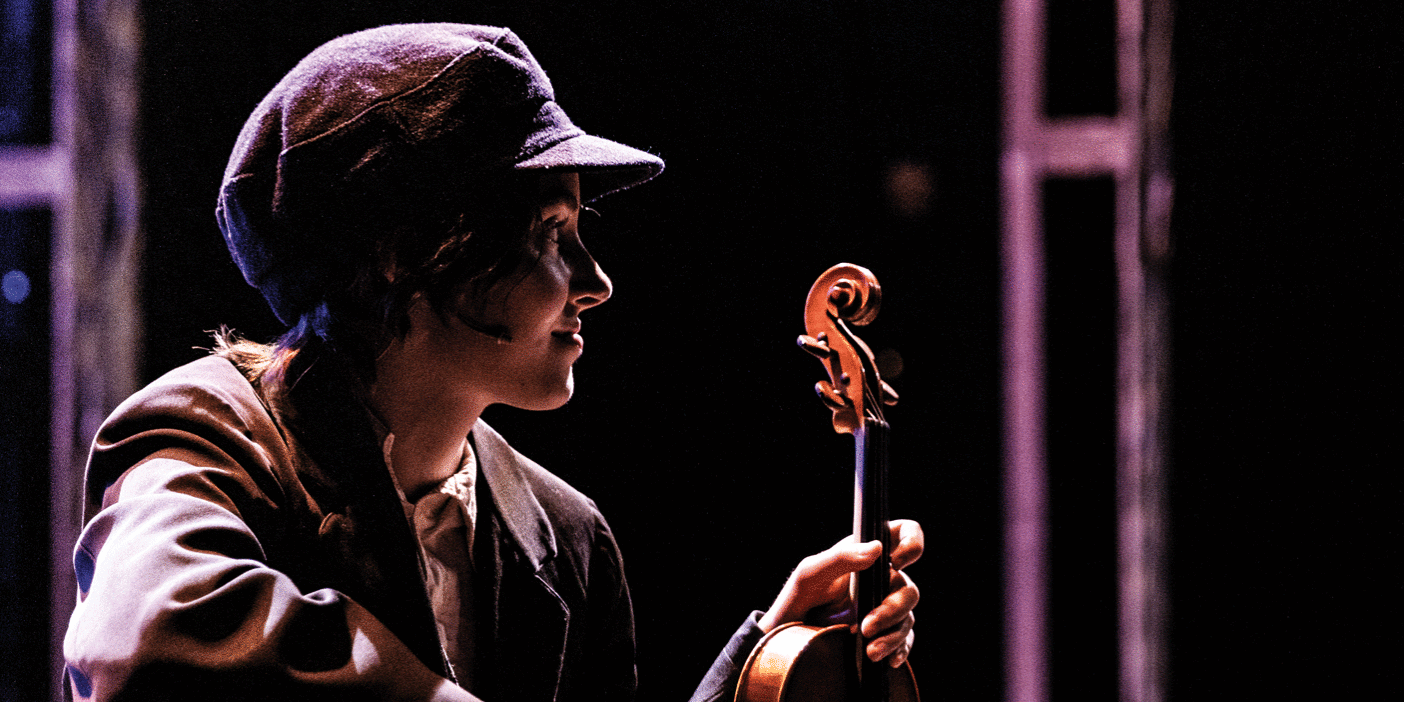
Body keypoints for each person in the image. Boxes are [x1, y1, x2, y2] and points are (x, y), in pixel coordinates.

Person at [61, 23, 921, 701]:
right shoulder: (206, 437)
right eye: (552, 235)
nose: (596, 283)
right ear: (407, 253)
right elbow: (145, 642)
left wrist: (769, 663)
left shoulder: (567, 536)